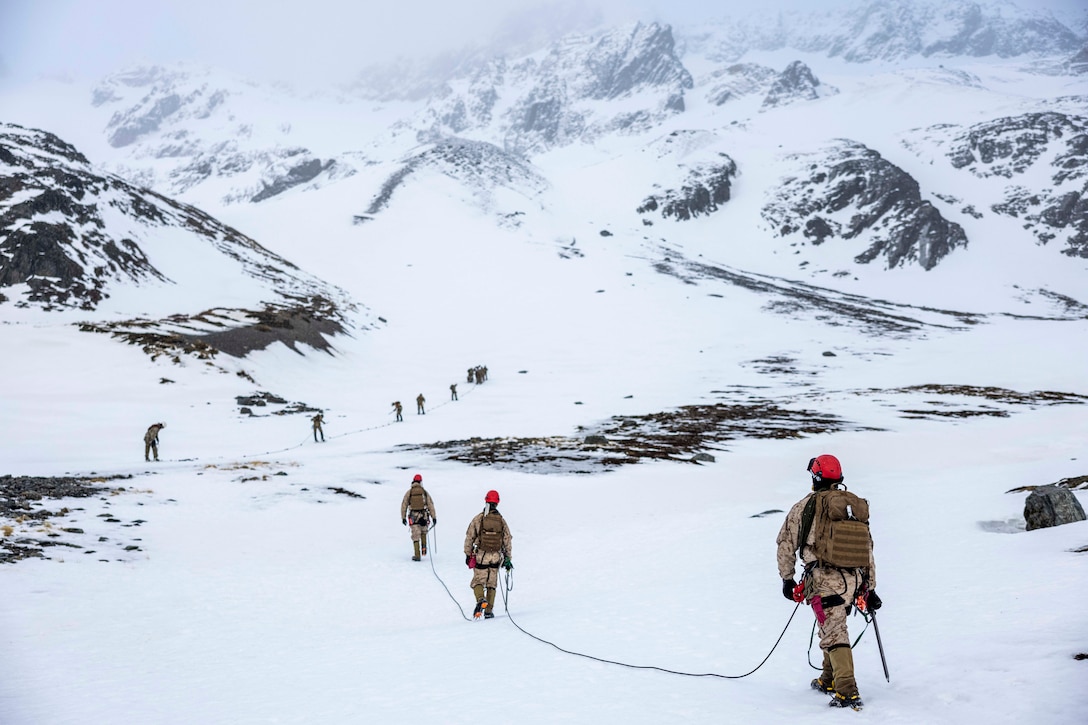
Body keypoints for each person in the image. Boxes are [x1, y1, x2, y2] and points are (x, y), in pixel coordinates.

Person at [776, 454, 882, 710]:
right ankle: (829, 678)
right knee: (831, 625)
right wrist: (870, 587)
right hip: (854, 580)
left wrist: (787, 579)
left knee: (834, 632)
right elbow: (867, 548)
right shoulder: (852, 507)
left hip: (824, 579)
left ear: (815, 477)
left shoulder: (804, 507)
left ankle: (847, 691)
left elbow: (785, 544)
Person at [464, 489, 513, 619]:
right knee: (492, 583)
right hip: (496, 556)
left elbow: (469, 536)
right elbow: (507, 539)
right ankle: (489, 611)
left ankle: (481, 600)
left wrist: (467, 553)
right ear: (497, 502)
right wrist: (508, 558)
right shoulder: (501, 520)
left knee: (478, 581)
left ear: (486, 500)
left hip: (481, 555)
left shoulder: (479, 518)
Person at [400, 474, 436, 561]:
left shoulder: (409, 492)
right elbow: (430, 504)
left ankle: (417, 555)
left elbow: (404, 505)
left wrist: (403, 517)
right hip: (424, 516)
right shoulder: (424, 492)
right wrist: (434, 517)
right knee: (424, 531)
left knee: (415, 535)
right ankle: (424, 548)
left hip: (413, 516)